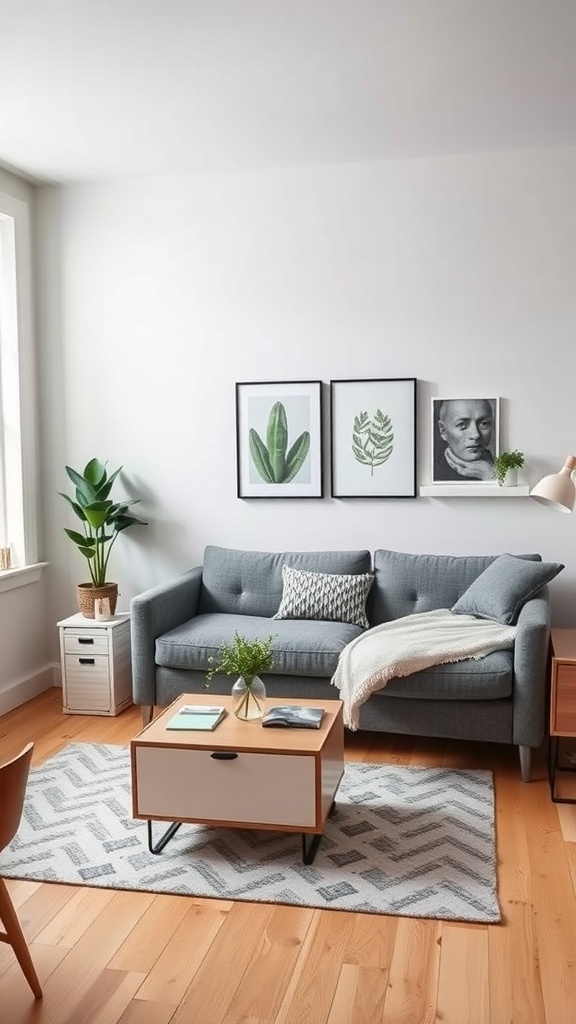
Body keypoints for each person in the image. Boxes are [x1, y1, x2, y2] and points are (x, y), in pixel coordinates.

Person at [434, 399, 495, 481]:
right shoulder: (436, 473)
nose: (476, 435)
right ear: (443, 430)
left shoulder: (498, 463)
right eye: (462, 424)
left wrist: (490, 474)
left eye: (484, 423)